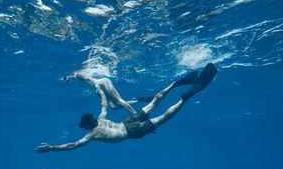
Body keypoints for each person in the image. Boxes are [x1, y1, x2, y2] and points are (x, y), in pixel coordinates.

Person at [36, 63, 217, 153]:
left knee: (164, 117)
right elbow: (104, 104)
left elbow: (73, 145)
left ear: (85, 126)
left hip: (132, 130)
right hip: (128, 121)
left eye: (82, 126)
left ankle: (185, 99)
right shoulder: (101, 118)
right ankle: (174, 85)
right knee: (154, 102)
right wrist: (99, 92)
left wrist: (52, 148)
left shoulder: (92, 134)